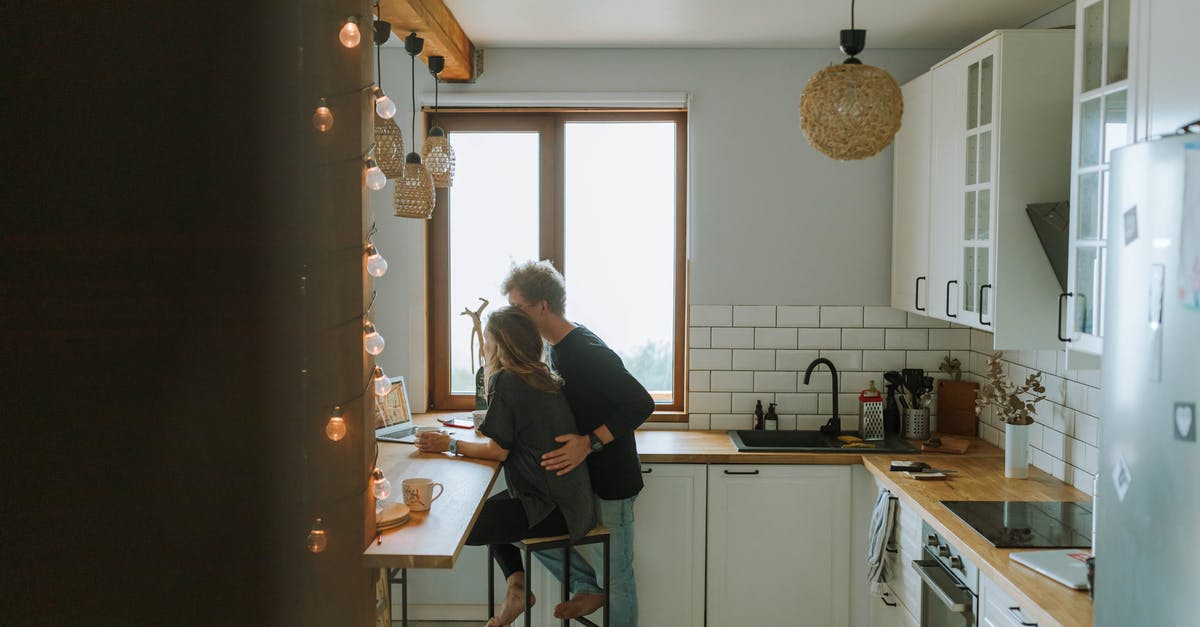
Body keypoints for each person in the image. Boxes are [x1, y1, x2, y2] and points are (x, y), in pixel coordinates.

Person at [415, 306, 596, 627]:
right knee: (481, 510)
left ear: (499, 344)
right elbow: (509, 434)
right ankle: (517, 588)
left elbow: (498, 451)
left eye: (486, 339)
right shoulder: (540, 377)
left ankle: (519, 588)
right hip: (571, 501)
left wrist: (450, 445)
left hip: (551, 507)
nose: (483, 346)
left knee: (464, 526)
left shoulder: (507, 380)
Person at [501, 260, 655, 626]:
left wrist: (590, 442)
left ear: (542, 305)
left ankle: (594, 589)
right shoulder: (555, 346)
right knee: (527, 526)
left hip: (612, 482)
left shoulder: (584, 350)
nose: (514, 318)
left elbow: (641, 403)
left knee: (618, 578)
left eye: (518, 309)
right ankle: (587, 588)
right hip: (582, 481)